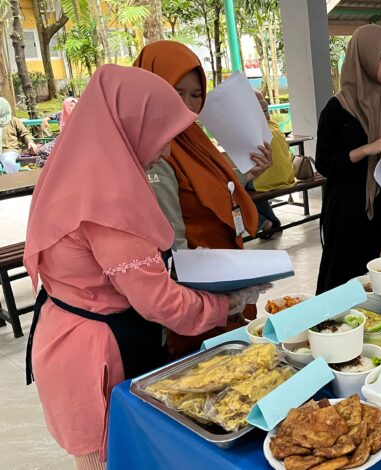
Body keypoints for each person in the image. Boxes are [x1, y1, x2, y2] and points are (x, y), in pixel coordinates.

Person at [23, 65, 265, 470]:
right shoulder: (108, 197)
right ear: (130, 126)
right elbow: (158, 301)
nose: (168, 151)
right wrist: (226, 306)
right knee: (116, 456)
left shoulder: (76, 166)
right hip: (98, 352)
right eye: (163, 136)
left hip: (67, 331)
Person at [134, 40, 272, 358]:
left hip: (220, 282)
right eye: (176, 91)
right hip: (197, 299)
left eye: (196, 95)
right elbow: (172, 250)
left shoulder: (192, 138)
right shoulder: (155, 153)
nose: (186, 104)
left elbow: (211, 189)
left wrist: (246, 175)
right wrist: (216, 298)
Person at [315, 24, 381, 293]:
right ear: (364, 58)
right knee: (345, 278)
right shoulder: (336, 109)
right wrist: (366, 149)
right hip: (346, 207)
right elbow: (325, 163)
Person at [247, 91, 297, 238]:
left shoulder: (251, 129)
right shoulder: (273, 124)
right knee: (252, 187)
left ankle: (262, 223)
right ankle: (271, 222)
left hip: (268, 179)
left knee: (236, 189)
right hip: (287, 175)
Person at [0, 97, 39, 174]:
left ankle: (15, 182)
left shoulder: (13, 120)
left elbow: (24, 134)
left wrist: (30, 142)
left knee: (8, 161)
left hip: (8, 150)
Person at [37, 97, 78, 166]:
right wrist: (45, 120)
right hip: (62, 139)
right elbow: (51, 116)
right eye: (70, 106)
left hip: (77, 140)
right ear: (65, 107)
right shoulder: (62, 115)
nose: (72, 108)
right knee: (42, 152)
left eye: (75, 106)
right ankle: (50, 171)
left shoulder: (81, 115)